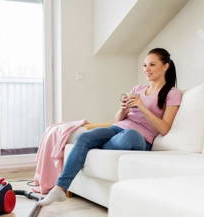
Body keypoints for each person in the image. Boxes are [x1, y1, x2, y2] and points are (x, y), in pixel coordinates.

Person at [39, 48, 182, 206]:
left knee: (129, 136)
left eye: (152, 65)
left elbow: (164, 128)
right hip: (117, 129)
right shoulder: (138, 89)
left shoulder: (172, 93)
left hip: (140, 137)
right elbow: (118, 119)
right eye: (144, 65)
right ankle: (60, 189)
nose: (146, 69)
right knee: (84, 137)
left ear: (165, 66)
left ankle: (97, 145)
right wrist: (123, 109)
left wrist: (142, 107)